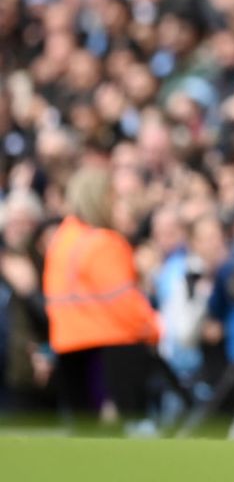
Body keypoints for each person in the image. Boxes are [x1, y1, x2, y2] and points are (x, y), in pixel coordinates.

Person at [43, 165, 161, 420]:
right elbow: (125, 302)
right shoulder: (104, 242)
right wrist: (154, 329)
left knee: (85, 436)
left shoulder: (61, 241)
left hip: (68, 345)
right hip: (111, 350)